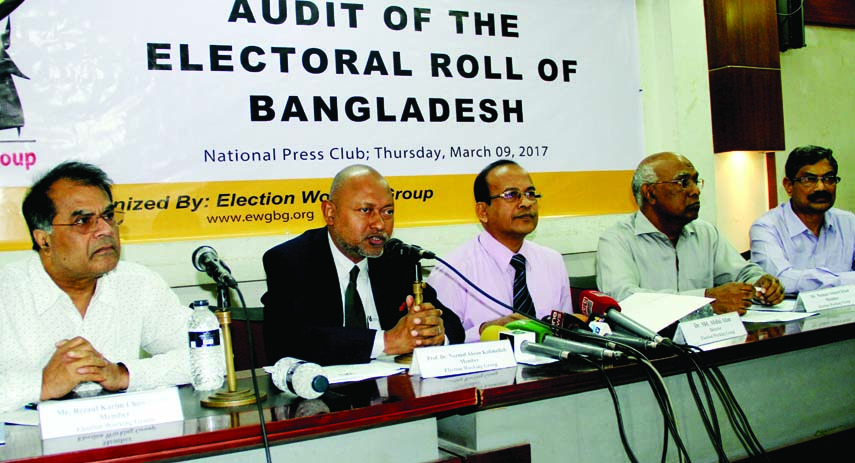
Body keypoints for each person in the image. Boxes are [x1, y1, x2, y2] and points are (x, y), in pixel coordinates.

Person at [0, 161, 191, 413]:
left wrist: (122, 374)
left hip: (123, 443)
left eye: (108, 216)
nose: (105, 229)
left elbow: (210, 356)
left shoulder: (137, 282)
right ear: (43, 238)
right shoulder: (7, 293)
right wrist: (42, 385)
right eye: (83, 221)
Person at [262, 165, 464, 366]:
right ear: (330, 212)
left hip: (392, 389)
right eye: (366, 210)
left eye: (388, 212)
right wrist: (387, 342)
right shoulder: (291, 260)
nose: (379, 224)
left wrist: (434, 334)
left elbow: (453, 325)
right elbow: (290, 341)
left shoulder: (396, 259)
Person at [596, 152, 785, 314]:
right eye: (683, 182)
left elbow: (741, 273)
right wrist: (706, 300)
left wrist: (761, 284)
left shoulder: (706, 233)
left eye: (695, 181)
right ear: (650, 193)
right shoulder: (617, 239)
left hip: (710, 343)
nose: (695, 191)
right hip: (653, 349)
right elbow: (624, 301)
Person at [427, 160, 572, 342]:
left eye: (530, 194)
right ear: (482, 211)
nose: (526, 203)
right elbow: (440, 344)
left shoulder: (552, 261)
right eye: (511, 195)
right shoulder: (452, 270)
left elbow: (567, 334)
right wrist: (484, 331)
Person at [750, 145, 855, 293]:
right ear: (788, 186)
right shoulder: (766, 227)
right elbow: (779, 280)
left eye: (829, 179)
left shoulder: (848, 222)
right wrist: (844, 280)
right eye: (809, 179)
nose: (821, 187)